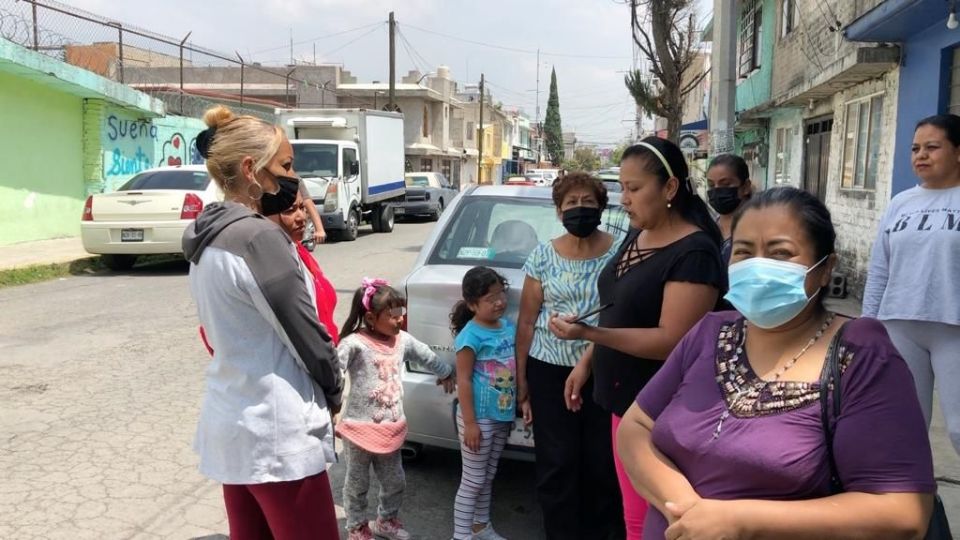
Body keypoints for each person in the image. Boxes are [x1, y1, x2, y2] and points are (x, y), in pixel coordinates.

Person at [617, 186, 936, 539]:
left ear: (826, 268)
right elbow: (636, 427)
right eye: (743, 252)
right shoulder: (710, 333)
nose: (758, 266)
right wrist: (686, 508)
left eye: (780, 253)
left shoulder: (862, 356)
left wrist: (739, 521)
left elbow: (904, 512)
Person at [548, 136, 725, 539]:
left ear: (669, 188)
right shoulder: (638, 233)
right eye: (622, 188)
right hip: (622, 399)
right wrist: (587, 358)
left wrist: (590, 333)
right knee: (632, 510)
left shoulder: (693, 252)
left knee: (654, 516)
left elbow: (672, 339)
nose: (623, 199)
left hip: (661, 408)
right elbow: (618, 308)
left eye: (634, 188)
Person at [182, 105, 342, 540]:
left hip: (233, 420)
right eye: (285, 166)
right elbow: (307, 336)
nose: (292, 179)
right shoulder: (258, 238)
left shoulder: (208, 236)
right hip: (278, 432)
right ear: (251, 169)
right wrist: (335, 387)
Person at [516, 172, 626, 539]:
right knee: (556, 463)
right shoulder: (543, 256)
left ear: (601, 205)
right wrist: (522, 382)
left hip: (606, 369)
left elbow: (624, 313)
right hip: (547, 371)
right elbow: (527, 322)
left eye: (588, 202)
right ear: (559, 211)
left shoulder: (621, 251)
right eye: (572, 204)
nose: (580, 209)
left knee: (602, 463)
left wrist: (589, 357)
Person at [864, 114, 960, 457]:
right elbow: (880, 269)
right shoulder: (900, 203)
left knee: (959, 428)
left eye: (932, 147)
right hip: (899, 324)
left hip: (953, 327)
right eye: (916, 148)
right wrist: (867, 325)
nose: (921, 155)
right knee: (905, 425)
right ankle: (915, 503)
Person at [336, 278, 456, 540]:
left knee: (395, 481)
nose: (400, 320)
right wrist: (331, 407)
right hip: (359, 429)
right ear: (370, 317)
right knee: (357, 485)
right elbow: (333, 373)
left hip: (391, 427)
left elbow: (425, 354)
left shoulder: (401, 340)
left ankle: (385, 520)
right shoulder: (354, 343)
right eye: (392, 315)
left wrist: (446, 372)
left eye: (401, 313)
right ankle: (357, 528)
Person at [450, 267, 517, 540]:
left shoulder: (507, 327)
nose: (499, 301)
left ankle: (480, 526)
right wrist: (470, 424)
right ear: (472, 304)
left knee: (488, 477)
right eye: (490, 298)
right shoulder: (470, 336)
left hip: (501, 415)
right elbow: (463, 381)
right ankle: (461, 535)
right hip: (478, 418)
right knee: (473, 480)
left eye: (501, 293)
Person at [266, 187, 339, 344]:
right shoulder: (270, 263)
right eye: (289, 210)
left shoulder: (299, 251)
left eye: (302, 208)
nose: (301, 217)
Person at [706, 154, 753, 265]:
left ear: (745, 187)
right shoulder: (707, 228)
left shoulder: (758, 228)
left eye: (725, 184)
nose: (717, 190)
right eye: (711, 185)